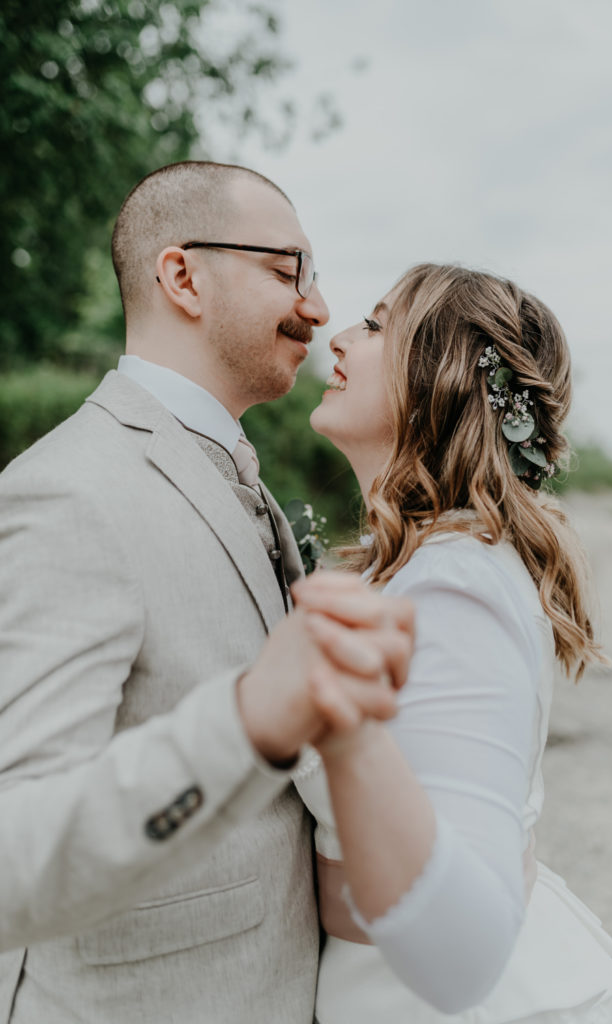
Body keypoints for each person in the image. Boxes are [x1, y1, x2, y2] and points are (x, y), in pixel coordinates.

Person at [0, 162, 415, 1024]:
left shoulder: (241, 479)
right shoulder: (70, 492)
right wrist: (245, 720)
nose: (318, 306)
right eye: (286, 270)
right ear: (183, 276)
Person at [293, 263, 612, 1022]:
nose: (339, 336)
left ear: (441, 375)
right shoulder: (427, 565)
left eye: (376, 323)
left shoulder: (451, 585)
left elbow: (461, 900)